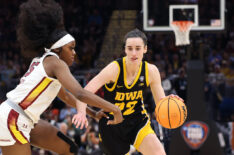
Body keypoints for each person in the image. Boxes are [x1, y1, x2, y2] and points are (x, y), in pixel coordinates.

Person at [0, 0, 123, 155]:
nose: (74, 53)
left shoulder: (46, 61)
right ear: (58, 49)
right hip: (13, 118)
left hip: (25, 118)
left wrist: (93, 113)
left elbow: (66, 96)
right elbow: (80, 94)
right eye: (70, 48)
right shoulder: (55, 63)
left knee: (69, 149)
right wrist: (114, 108)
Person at [73, 29, 184, 155]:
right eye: (130, 48)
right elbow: (84, 92)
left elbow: (160, 104)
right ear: (125, 50)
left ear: (145, 49)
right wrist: (81, 112)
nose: (134, 53)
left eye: (138, 48)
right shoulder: (114, 69)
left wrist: (169, 102)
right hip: (112, 125)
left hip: (137, 121)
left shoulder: (151, 71)